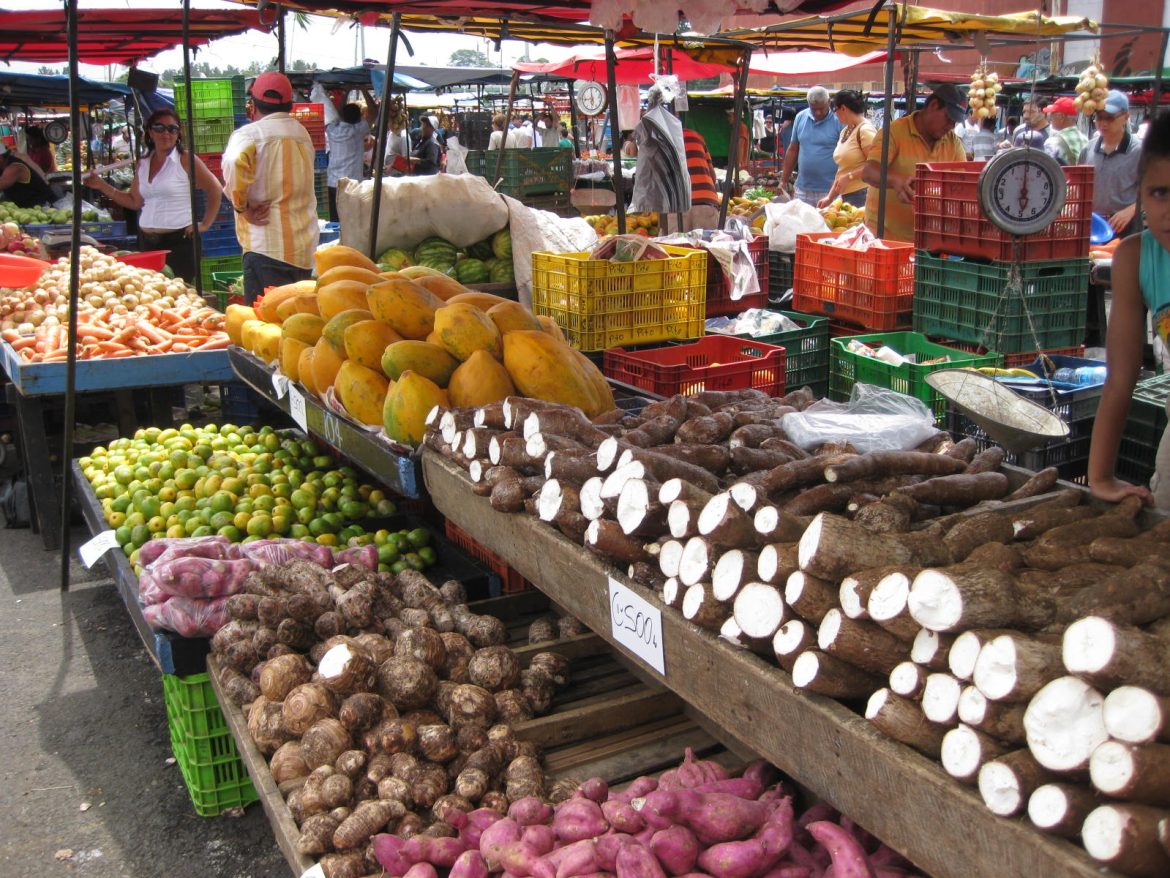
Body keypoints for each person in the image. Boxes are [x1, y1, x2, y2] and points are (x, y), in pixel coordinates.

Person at [1088, 111, 1170, 508]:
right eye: (1160, 192)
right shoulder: (1137, 258)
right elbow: (1121, 376)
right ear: (1140, 192)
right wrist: (1101, 477)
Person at [83, 109, 221, 283]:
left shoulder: (185, 159)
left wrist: (205, 224)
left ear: (178, 134)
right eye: (159, 127)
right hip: (148, 243)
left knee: (177, 295)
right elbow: (134, 201)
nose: (166, 133)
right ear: (149, 131)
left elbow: (214, 188)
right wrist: (101, 185)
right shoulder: (144, 162)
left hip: (179, 244)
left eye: (172, 129)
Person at [223, 72, 318, 304]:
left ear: (253, 106)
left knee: (266, 326)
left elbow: (234, 162)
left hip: (265, 247)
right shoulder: (302, 134)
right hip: (304, 250)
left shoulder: (249, 134)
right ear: (290, 105)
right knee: (295, 328)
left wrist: (242, 206)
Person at [860, 83, 967, 243]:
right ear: (933, 105)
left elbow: (962, 184)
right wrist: (896, 180)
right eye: (949, 118)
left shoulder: (953, 143)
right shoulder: (894, 132)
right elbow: (869, 172)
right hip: (884, 240)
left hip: (928, 243)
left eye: (955, 122)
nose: (951, 126)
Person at [1079, 90, 1143, 236]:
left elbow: (1155, 191)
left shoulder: (1140, 151)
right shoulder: (1089, 148)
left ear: (1126, 117)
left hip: (1125, 227)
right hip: (1091, 225)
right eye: (1099, 118)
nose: (1103, 123)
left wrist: (1131, 210)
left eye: (1110, 118)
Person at [779, 86, 844, 206]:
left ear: (829, 103)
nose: (818, 112)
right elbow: (793, 149)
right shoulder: (800, 117)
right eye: (814, 109)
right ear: (808, 104)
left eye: (821, 109)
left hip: (830, 191)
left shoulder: (839, 121)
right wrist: (783, 180)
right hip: (802, 190)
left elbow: (846, 155)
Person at [817, 89, 876, 208]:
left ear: (843, 108)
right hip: (848, 195)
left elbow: (875, 165)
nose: (835, 115)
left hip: (863, 193)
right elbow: (842, 169)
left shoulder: (865, 130)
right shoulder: (845, 131)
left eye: (835, 110)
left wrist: (850, 177)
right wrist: (830, 197)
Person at [321, 97, 370, 222]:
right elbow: (374, 113)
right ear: (359, 118)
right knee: (353, 220)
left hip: (333, 183)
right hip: (352, 184)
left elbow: (336, 115)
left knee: (335, 220)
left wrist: (345, 92)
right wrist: (364, 90)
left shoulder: (332, 130)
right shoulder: (358, 131)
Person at [662, 127, 721, 233]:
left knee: (676, 248)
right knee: (708, 248)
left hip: (677, 205)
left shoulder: (662, 139)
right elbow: (713, 176)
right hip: (706, 203)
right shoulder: (697, 136)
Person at [1043, 96, 1088, 166]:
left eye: (1052, 114)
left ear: (1061, 117)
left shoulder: (1052, 142)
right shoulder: (1086, 140)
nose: (1050, 118)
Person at [726, 108, 751, 174]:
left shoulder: (741, 127)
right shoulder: (736, 128)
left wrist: (738, 163)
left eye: (730, 116)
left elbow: (740, 147)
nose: (728, 118)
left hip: (740, 164)